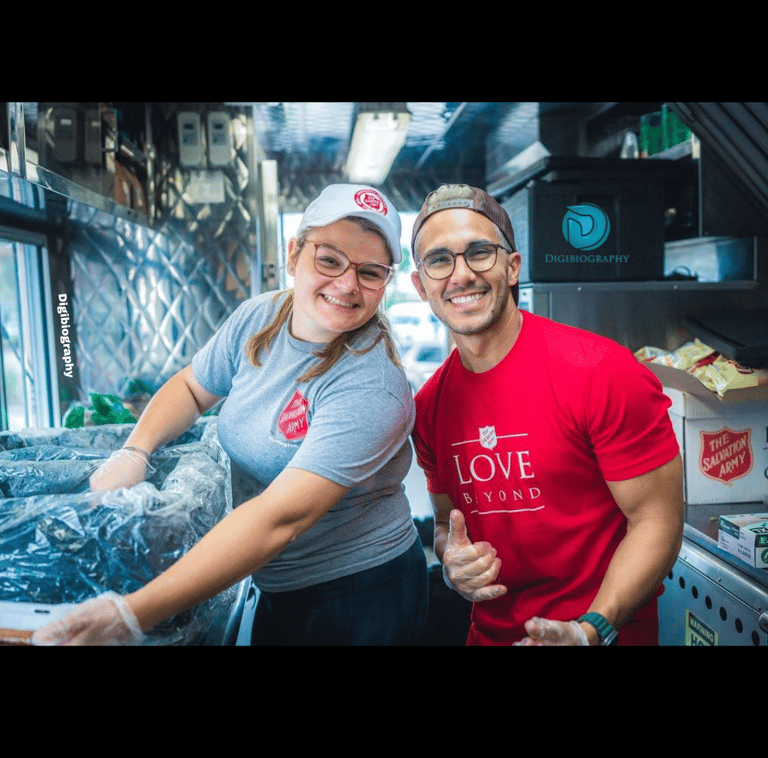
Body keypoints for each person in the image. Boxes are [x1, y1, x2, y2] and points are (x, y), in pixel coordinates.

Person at [33, 183, 428, 646]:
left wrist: (132, 614)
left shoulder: (371, 386)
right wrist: (135, 452)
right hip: (276, 578)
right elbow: (192, 388)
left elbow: (279, 519)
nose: (347, 284)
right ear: (294, 253)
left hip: (358, 593)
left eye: (371, 272)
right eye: (330, 259)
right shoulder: (261, 316)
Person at [409, 183, 684, 646]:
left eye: (480, 252)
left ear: (512, 267)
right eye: (439, 260)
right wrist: (453, 562)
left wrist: (591, 629)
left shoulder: (602, 371)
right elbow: (444, 524)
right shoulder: (429, 407)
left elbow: (658, 521)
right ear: (420, 285)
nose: (460, 275)